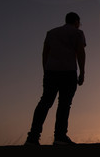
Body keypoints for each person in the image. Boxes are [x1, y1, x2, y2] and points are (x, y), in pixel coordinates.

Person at [25, 12, 86, 145]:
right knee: (64, 104)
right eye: (79, 23)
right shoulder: (78, 33)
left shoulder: (51, 33)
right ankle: (59, 136)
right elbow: (80, 52)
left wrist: (45, 71)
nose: (79, 25)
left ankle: (33, 137)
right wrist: (82, 72)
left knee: (45, 102)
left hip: (51, 72)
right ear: (76, 21)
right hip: (68, 72)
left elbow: (45, 53)